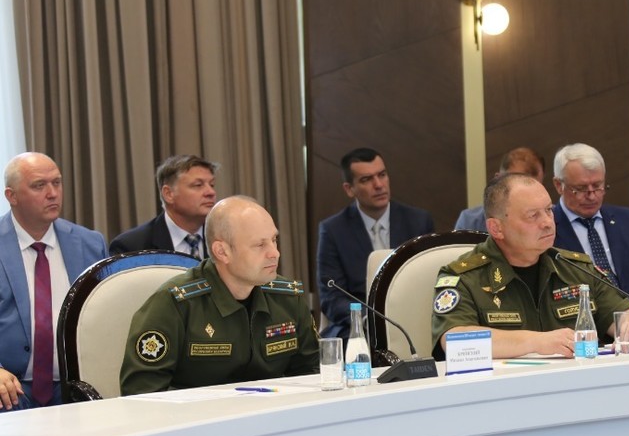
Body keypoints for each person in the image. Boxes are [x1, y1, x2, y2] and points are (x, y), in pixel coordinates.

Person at [431, 174, 629, 360]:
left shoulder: (575, 268)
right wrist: (538, 342)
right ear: (496, 228)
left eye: (549, 210)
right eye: (533, 216)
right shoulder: (465, 277)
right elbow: (455, 341)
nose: (548, 222)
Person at [120, 196, 318, 394]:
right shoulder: (174, 304)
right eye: (260, 245)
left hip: (272, 411)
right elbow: (141, 392)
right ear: (222, 252)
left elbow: (314, 375)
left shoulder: (288, 299)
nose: (275, 253)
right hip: (198, 413)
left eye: (274, 240)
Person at [0, 152, 108, 410]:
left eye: (56, 183)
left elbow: (107, 314)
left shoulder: (90, 244)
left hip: (76, 383)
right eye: (39, 185)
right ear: (11, 196)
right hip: (11, 384)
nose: (52, 193)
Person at [316, 147, 434, 340]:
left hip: (412, 320)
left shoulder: (418, 222)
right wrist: (369, 319)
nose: (378, 185)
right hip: (359, 327)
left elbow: (429, 281)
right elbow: (331, 297)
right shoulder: (333, 231)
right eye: (366, 179)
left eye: (382, 175)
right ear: (349, 189)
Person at [551, 143, 629, 301]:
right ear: (559, 185)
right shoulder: (545, 228)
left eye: (597, 186)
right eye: (581, 188)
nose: (592, 196)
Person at [110, 154, 219, 259]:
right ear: (168, 194)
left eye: (212, 185)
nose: (211, 192)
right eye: (198, 185)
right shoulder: (131, 247)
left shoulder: (223, 237)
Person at [454, 146, 546, 232]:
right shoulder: (470, 222)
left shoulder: (550, 219)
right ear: (498, 180)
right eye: (518, 186)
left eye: (535, 189)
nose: (528, 195)